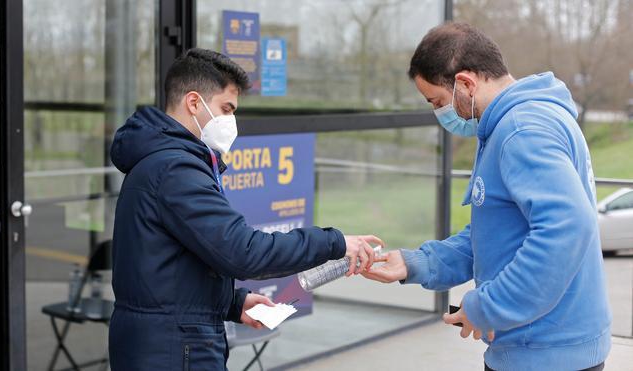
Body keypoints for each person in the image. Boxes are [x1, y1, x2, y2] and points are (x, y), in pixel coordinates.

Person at [108, 48, 383, 370]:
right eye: (226, 109)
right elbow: (243, 251)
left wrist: (233, 303)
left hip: (166, 338)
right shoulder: (175, 170)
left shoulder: (166, 162)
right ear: (194, 103)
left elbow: (171, 267)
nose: (231, 121)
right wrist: (335, 243)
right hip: (173, 347)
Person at [363, 22, 610, 371]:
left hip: (542, 351)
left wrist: (487, 307)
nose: (440, 113)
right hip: (547, 344)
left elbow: (567, 228)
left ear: (465, 83)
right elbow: (497, 232)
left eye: (436, 101)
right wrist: (416, 263)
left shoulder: (521, 130)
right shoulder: (524, 120)